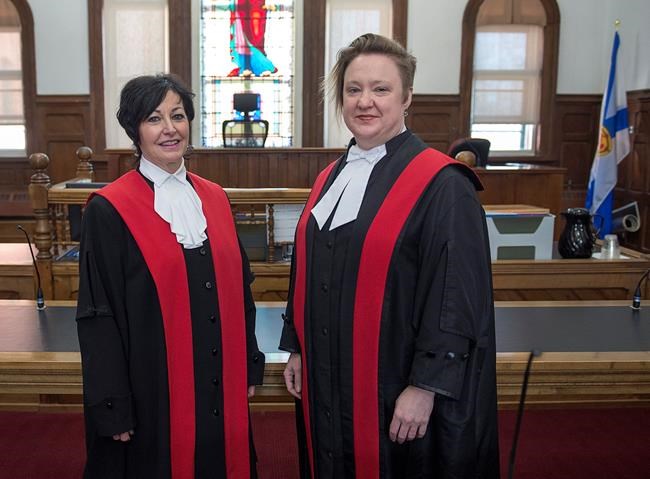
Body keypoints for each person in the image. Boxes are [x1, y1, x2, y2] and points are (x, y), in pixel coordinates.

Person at [280, 34, 499, 478]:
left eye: (381, 89)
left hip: (398, 385)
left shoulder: (444, 185)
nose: (365, 102)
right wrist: (298, 347)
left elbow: (455, 299)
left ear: (407, 97)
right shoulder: (330, 178)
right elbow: (310, 269)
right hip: (331, 375)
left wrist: (426, 386)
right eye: (353, 89)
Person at [76, 74, 264, 478]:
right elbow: (97, 316)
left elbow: (240, 291)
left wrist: (249, 361)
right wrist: (112, 404)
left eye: (177, 116)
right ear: (135, 130)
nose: (169, 129)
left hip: (220, 381)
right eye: (153, 118)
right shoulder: (109, 209)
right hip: (151, 392)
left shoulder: (215, 198)